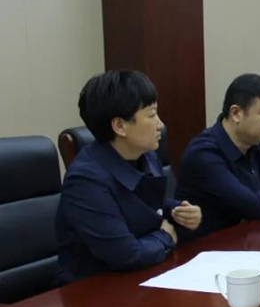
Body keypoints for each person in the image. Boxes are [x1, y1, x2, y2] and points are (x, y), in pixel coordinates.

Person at [56, 71, 202, 283]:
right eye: (152, 115)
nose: (160, 124)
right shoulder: (85, 181)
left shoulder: (146, 155)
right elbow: (126, 254)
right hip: (94, 289)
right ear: (120, 126)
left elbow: (142, 205)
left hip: (143, 276)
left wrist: (178, 211)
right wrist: (165, 236)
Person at [177, 74, 260, 238]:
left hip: (250, 238)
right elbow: (253, 207)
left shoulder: (257, 145)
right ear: (236, 113)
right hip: (207, 247)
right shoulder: (204, 154)